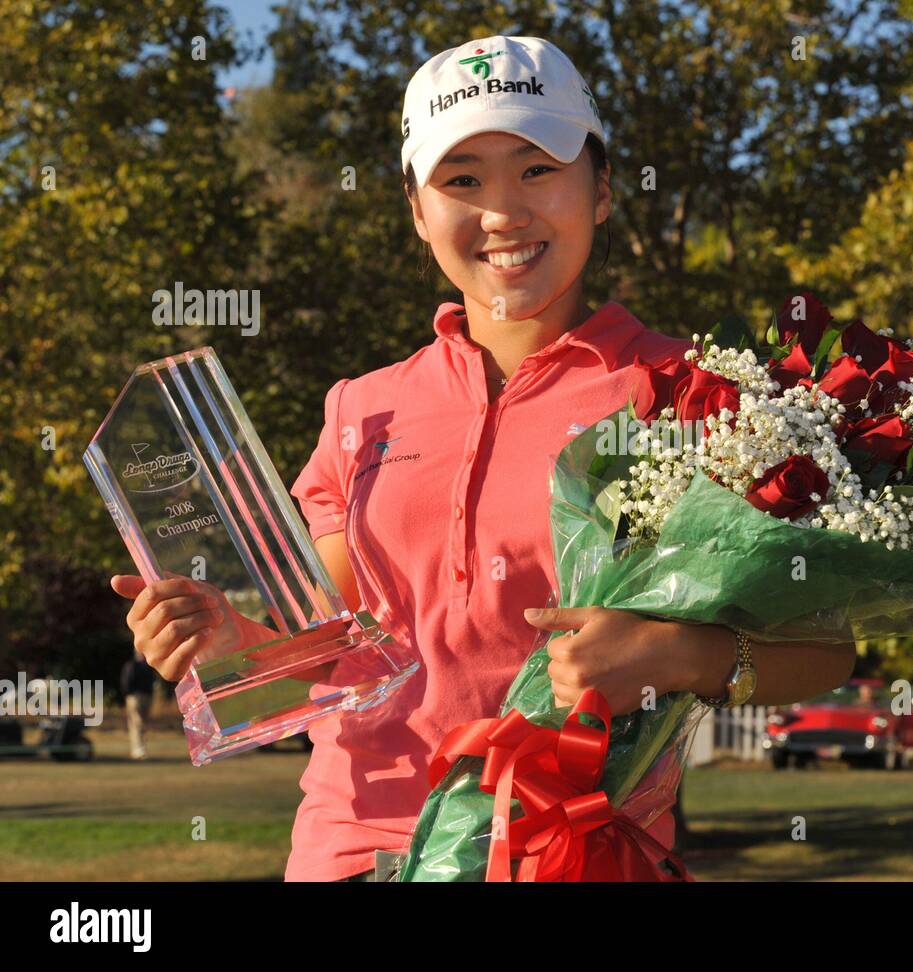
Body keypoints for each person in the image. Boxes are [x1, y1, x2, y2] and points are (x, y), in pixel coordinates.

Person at [111, 35, 858, 881]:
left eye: (537, 168)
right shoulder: (360, 406)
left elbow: (825, 649)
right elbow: (331, 646)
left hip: (569, 853)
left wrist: (676, 657)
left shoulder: (692, 394)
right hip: (348, 852)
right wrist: (227, 641)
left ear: (602, 189)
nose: (502, 213)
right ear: (417, 210)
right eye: (461, 180)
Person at [119, 649, 157, 760]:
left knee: (142, 724)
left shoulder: (148, 666)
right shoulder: (131, 666)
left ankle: (141, 748)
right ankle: (138, 750)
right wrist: (129, 694)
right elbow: (126, 682)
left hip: (146, 697)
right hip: (135, 697)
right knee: (137, 723)